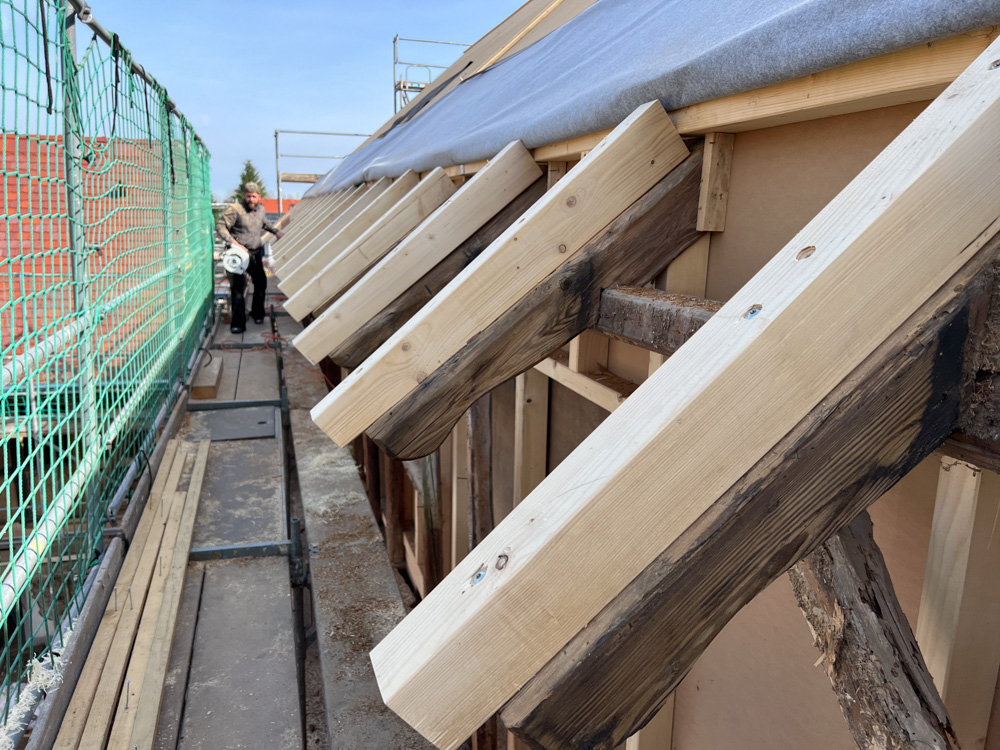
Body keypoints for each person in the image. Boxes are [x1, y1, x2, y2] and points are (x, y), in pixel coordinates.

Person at [215, 181, 284, 333]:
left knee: (261, 283)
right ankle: (238, 324)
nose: (251, 199)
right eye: (248, 196)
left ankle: (257, 314)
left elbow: (265, 224)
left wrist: (276, 232)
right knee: (238, 290)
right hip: (238, 255)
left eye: (253, 196)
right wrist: (233, 242)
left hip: (254, 254)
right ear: (243, 196)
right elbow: (220, 225)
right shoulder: (236, 209)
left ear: (259, 197)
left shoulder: (260, 210)